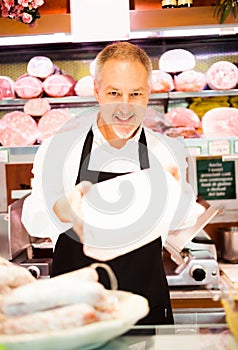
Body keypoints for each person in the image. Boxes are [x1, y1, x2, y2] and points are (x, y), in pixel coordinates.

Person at [22, 41, 200, 325]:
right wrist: (61, 210)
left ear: (148, 92)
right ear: (96, 90)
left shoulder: (168, 150)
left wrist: (178, 197)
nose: (125, 108)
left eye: (136, 94)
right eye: (114, 93)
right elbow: (32, 218)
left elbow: (183, 222)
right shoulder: (59, 149)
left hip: (146, 313)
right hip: (75, 314)